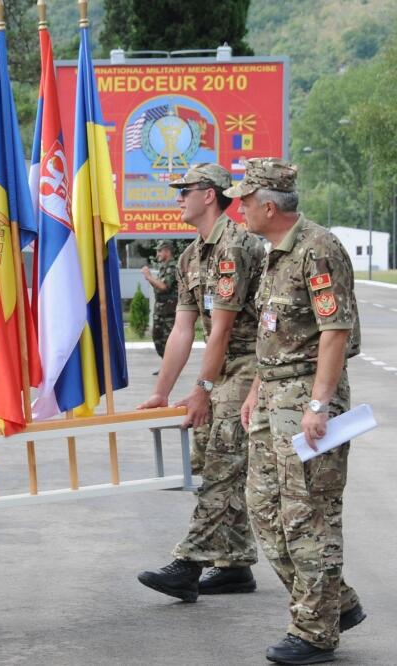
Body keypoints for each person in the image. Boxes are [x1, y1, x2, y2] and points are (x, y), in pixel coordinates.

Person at [231, 158, 365, 665]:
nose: (238, 208)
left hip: (307, 400)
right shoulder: (274, 253)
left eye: (244, 200)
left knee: (308, 517)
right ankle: (336, 602)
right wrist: (256, 389)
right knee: (265, 512)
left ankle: (315, 631)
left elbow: (335, 333)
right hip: (271, 397)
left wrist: (318, 403)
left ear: (269, 205)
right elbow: (278, 333)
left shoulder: (318, 248)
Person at [136, 163, 264, 603]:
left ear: (209, 195)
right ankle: (234, 565)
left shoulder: (235, 246)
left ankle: (188, 565)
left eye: (183, 190)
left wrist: (203, 390)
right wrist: (161, 392)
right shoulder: (194, 256)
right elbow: (182, 329)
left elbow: (224, 329)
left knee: (221, 462)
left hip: (252, 365)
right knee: (211, 456)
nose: (177, 198)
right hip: (223, 366)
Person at [141, 238, 178, 372]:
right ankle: (166, 365)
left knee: (168, 341)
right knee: (157, 339)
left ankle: (170, 368)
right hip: (160, 310)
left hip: (169, 311)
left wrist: (148, 276)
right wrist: (151, 279)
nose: (157, 255)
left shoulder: (173, 266)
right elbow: (158, 287)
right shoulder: (163, 267)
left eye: (159, 252)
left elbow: (164, 287)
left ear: (167, 251)